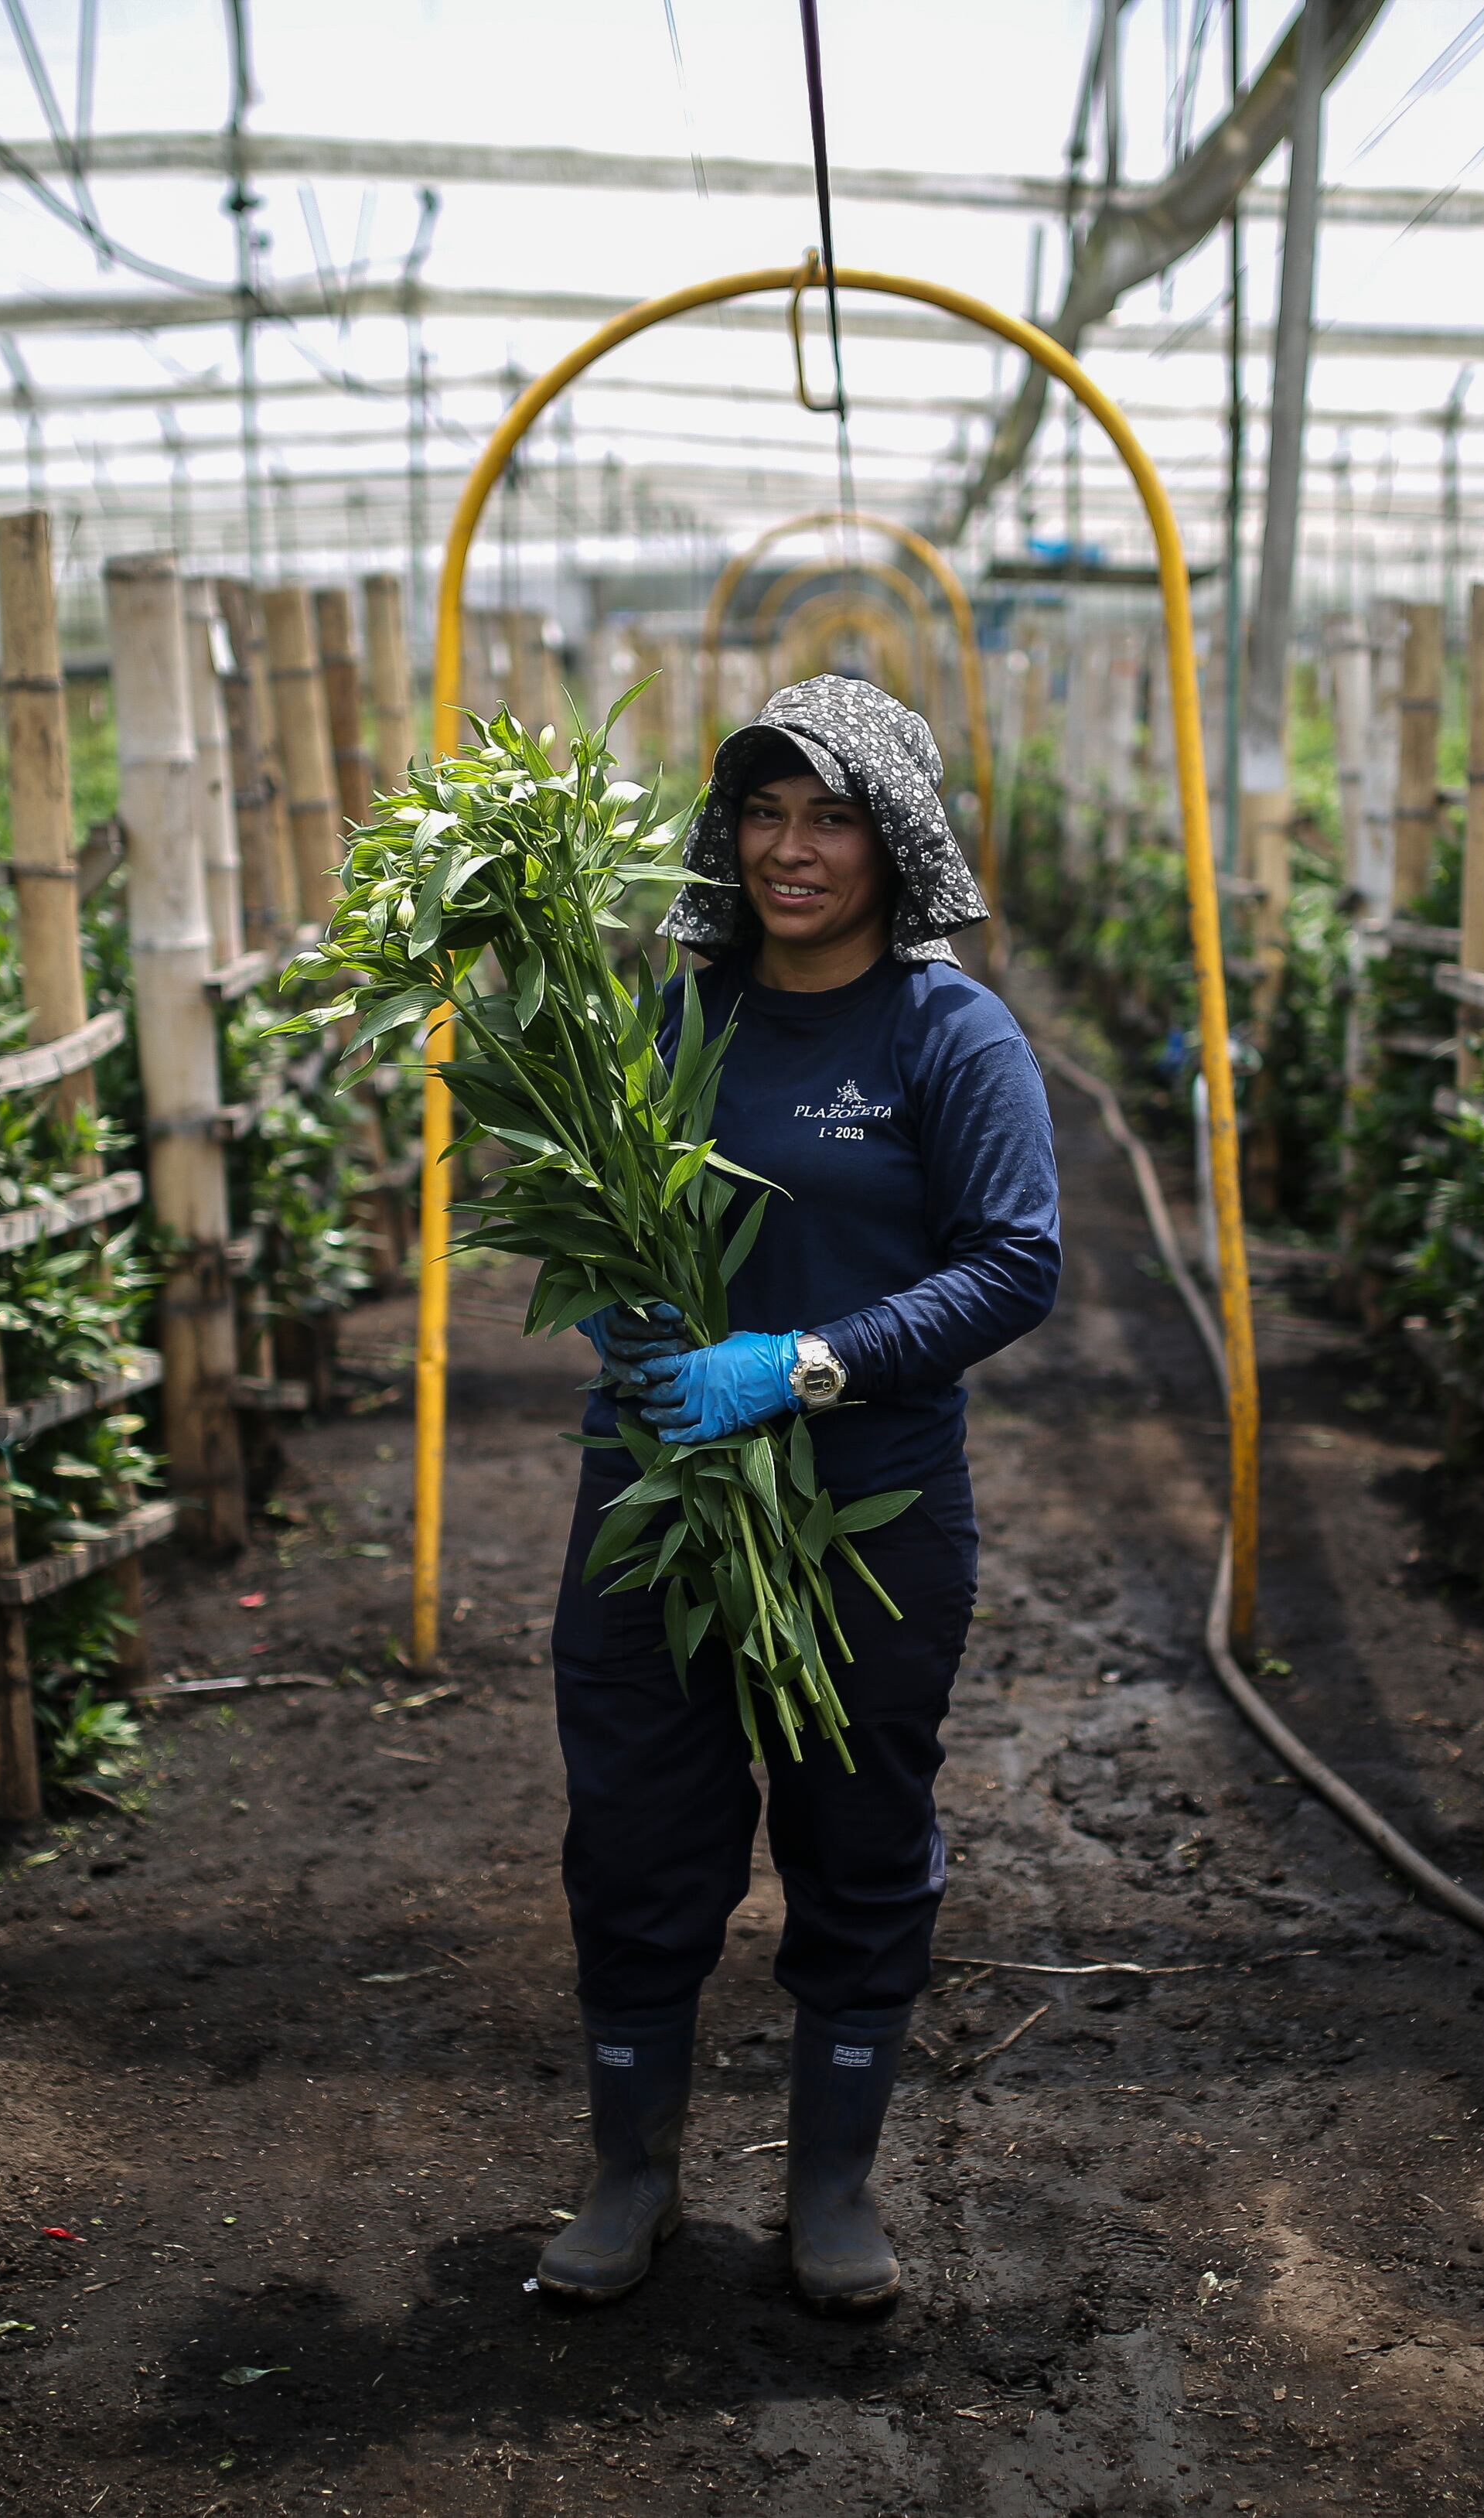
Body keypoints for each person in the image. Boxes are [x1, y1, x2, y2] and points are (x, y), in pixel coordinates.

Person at [537, 676, 1059, 2318]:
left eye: (828, 814)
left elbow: (1015, 1262)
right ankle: (632, 2172)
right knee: (636, 1838)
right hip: (657, 1500)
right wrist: (619, 1288)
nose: (789, 847)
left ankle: (830, 2185)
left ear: (892, 838)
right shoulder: (674, 1014)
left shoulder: (943, 1029)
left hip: (872, 1517)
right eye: (760, 812)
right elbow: (601, 1195)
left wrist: (806, 1363)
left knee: (856, 1836)